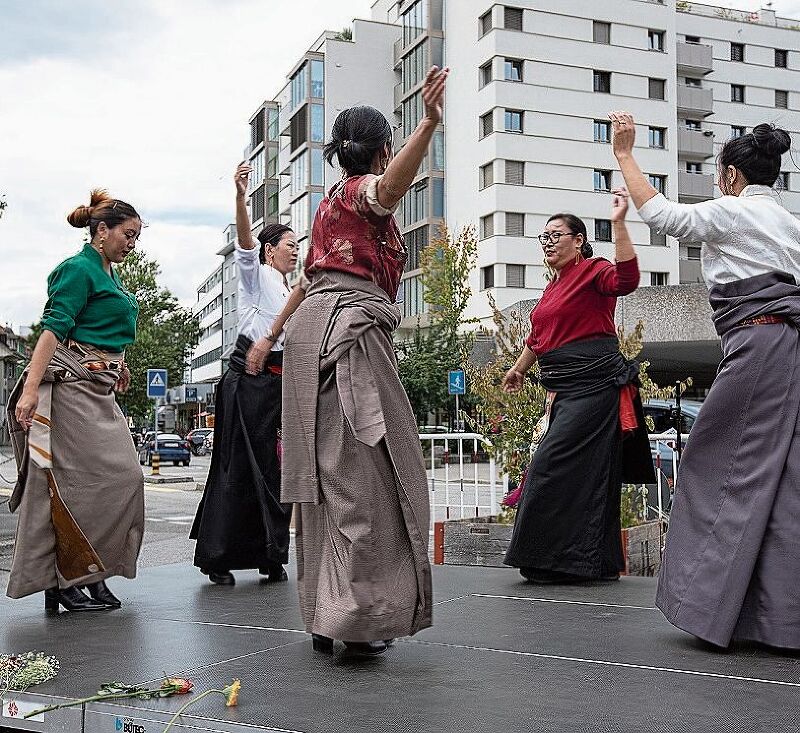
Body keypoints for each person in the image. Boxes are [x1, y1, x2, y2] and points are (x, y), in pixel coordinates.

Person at [266, 66, 448, 656]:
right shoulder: (354, 195)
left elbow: (304, 283)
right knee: (365, 478)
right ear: (383, 149)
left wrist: (270, 336)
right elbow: (387, 190)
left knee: (328, 481)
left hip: (313, 334)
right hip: (348, 334)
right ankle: (356, 618)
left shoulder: (325, 212)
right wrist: (428, 125)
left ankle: (328, 613)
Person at [611, 111, 800, 649]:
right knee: (783, 477)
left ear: (732, 177)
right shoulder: (788, 223)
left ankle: (706, 604)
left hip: (757, 343)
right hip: (789, 346)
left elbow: (665, 216)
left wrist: (625, 154)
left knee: (716, 462)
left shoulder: (734, 212)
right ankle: (778, 619)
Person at [501, 194, 655, 584]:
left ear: (579, 240)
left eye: (556, 234)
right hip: (566, 388)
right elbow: (539, 337)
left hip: (596, 385)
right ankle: (596, 563)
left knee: (550, 467)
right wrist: (518, 370)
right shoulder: (553, 287)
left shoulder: (594, 271)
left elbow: (627, 280)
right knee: (586, 473)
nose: (548, 241)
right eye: (544, 237)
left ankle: (553, 560)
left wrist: (619, 224)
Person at [7, 190, 144, 611]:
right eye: (128, 234)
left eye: (137, 237)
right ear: (101, 230)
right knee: (83, 487)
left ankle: (91, 572)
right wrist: (30, 390)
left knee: (121, 482)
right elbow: (52, 331)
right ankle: (65, 579)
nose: (133, 244)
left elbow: (104, 334)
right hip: (71, 394)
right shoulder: (77, 270)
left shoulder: (107, 272)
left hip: (97, 389)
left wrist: (117, 368)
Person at [190, 163, 298, 586]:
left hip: (274, 383)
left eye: (297, 244)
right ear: (270, 251)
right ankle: (218, 555)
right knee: (237, 466)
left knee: (271, 470)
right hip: (245, 380)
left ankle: (270, 554)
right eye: (289, 244)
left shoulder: (290, 290)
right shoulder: (258, 276)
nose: (295, 249)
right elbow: (244, 241)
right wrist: (240, 196)